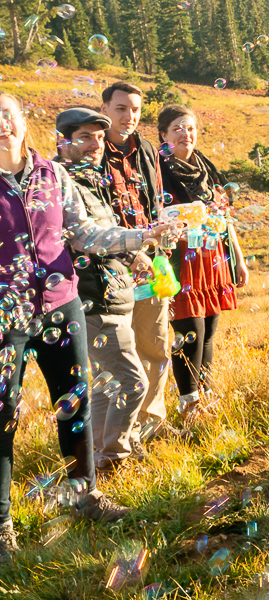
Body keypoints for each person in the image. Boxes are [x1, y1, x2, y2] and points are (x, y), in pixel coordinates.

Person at [0, 94, 172, 561]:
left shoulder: (51, 175)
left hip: (63, 306)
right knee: (4, 417)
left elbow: (85, 233)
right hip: (6, 318)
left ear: (22, 122)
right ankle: (2, 527)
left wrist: (143, 237)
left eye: (7, 116)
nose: (1, 125)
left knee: (74, 405)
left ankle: (85, 496)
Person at [55, 108, 153, 475]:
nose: (95, 144)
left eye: (99, 137)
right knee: (132, 382)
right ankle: (114, 458)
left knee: (106, 385)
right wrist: (142, 235)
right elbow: (86, 237)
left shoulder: (91, 180)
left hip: (112, 293)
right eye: (84, 137)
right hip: (93, 299)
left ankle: (98, 454)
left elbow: (102, 231)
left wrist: (133, 253)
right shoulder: (59, 182)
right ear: (63, 142)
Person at [156, 105, 246, 417]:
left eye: (190, 128)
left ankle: (205, 395)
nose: (186, 134)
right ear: (164, 135)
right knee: (188, 334)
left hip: (212, 257)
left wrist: (239, 260)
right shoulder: (157, 172)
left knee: (208, 331)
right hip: (181, 260)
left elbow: (225, 219)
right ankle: (188, 405)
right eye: (178, 128)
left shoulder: (207, 169)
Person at [99, 82, 170, 436]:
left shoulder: (144, 148)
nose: (129, 117)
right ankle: (120, 434)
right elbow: (91, 218)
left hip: (152, 259)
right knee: (120, 354)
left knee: (155, 343)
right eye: (121, 108)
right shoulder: (92, 150)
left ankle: (152, 425)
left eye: (136, 110)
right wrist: (130, 250)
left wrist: (165, 230)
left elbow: (153, 199)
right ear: (105, 109)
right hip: (112, 266)